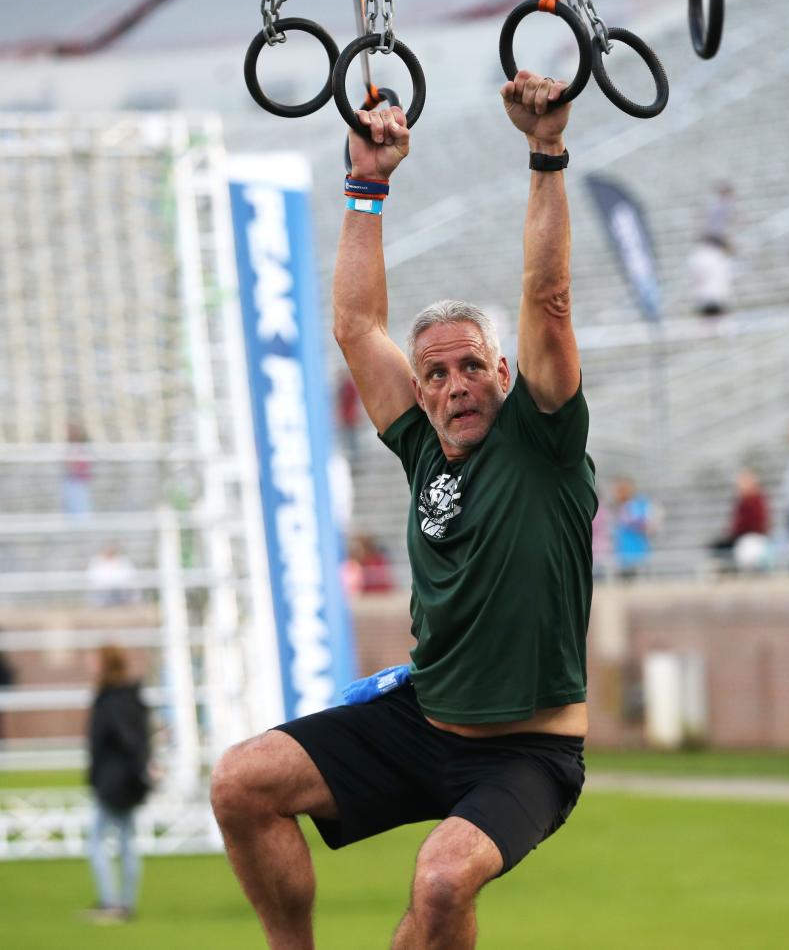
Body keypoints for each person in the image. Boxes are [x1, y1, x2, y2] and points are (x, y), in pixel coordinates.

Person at [210, 71, 596, 950]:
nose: (455, 385)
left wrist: (545, 149)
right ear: (418, 392)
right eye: (435, 373)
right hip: (423, 720)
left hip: (526, 754)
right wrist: (366, 181)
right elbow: (355, 325)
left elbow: (548, 301)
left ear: (504, 373)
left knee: (442, 880)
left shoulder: (542, 441)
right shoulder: (422, 444)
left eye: (471, 366)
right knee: (241, 783)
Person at [86, 645, 151, 923]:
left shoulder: (111, 701)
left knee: (97, 842)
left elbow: (124, 742)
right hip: (127, 781)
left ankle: (112, 903)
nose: (89, 663)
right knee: (125, 841)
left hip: (114, 782)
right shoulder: (130, 697)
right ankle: (124, 904)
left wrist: (106, 774)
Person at [709, 468, 770, 569]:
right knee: (718, 545)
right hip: (742, 536)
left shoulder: (754, 501)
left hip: (749, 537)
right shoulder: (743, 502)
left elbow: (751, 524)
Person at [611, 477, 657, 577]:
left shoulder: (639, 503)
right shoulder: (620, 507)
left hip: (637, 549)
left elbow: (647, 524)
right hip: (623, 551)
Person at [687, 234, 734, 318]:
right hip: (716, 293)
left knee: (709, 319)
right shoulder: (718, 255)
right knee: (716, 318)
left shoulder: (700, 256)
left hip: (707, 293)